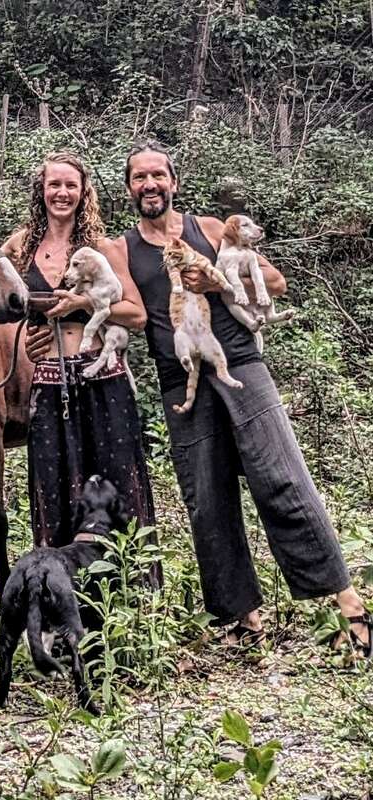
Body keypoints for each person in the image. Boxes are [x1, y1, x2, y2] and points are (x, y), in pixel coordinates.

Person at [51, 139, 368, 653]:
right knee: (207, 497)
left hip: (240, 361)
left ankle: (348, 605)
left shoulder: (212, 230)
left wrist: (215, 279)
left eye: (157, 175)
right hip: (182, 379)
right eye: (139, 178)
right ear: (129, 188)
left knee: (283, 478)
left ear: (173, 182)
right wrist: (78, 304)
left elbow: (274, 281)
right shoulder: (121, 249)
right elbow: (127, 310)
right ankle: (242, 617)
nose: (149, 185)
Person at [3, 152, 160, 587]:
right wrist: (23, 336)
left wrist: (82, 303)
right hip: (48, 383)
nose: (62, 193)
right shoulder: (20, 247)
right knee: (54, 489)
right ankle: (62, 593)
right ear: (41, 190)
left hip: (102, 379)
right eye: (54, 184)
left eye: (71, 185)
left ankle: (130, 594)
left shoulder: (102, 248)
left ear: (83, 192)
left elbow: (135, 313)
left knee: (116, 485)